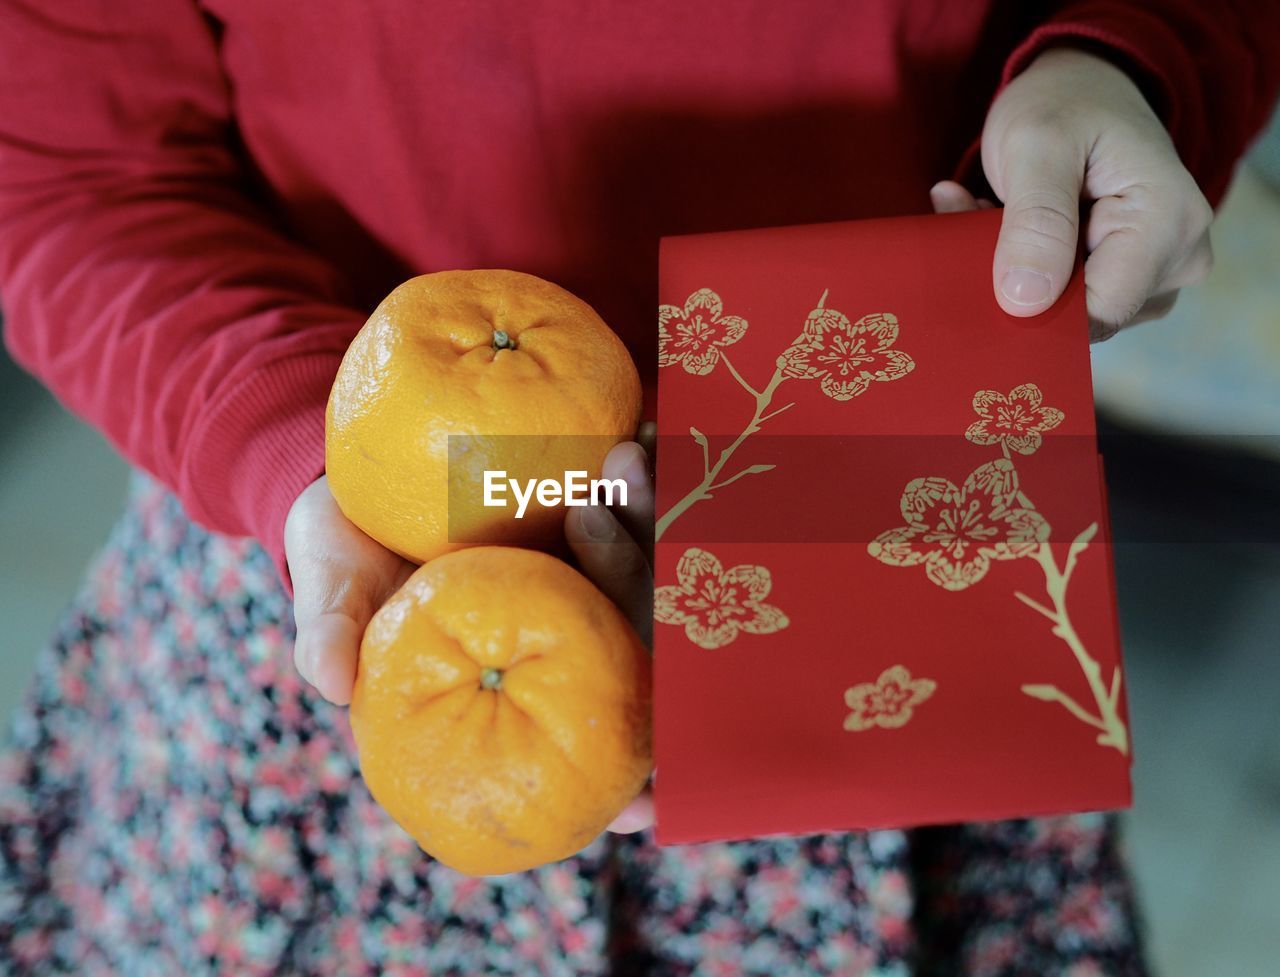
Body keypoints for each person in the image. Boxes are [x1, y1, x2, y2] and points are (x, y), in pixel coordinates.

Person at [0, 2, 1275, 974]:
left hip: (876, 537)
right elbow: (63, 169)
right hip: (347, 564)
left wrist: (1123, 59)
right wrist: (295, 450)